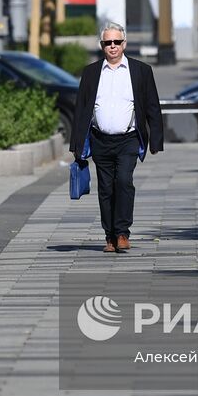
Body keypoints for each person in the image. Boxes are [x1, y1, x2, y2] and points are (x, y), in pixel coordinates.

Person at [70, 23, 164, 253]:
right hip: (100, 139)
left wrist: (156, 141)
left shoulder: (141, 71)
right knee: (105, 188)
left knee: (123, 181)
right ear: (101, 46)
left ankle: (122, 233)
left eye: (117, 42)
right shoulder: (91, 73)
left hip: (128, 139)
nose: (112, 46)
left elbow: (152, 106)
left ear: (124, 44)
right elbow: (81, 109)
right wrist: (76, 144)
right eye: (107, 43)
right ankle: (109, 236)